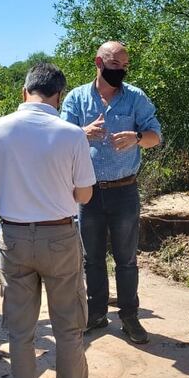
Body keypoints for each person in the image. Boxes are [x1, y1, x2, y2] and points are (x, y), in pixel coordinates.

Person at [0, 62, 105, 378]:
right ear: (58, 96)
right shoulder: (70, 134)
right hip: (60, 237)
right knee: (68, 329)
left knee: (20, 332)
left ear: (25, 91)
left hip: (14, 237)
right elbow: (84, 193)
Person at [60, 41, 162, 344]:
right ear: (98, 62)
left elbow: (156, 136)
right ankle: (96, 313)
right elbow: (60, 138)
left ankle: (130, 317)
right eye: (115, 63)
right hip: (88, 193)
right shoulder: (77, 98)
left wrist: (138, 137)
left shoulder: (135, 98)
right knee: (91, 259)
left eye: (124, 64)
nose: (120, 69)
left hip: (124, 191)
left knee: (126, 258)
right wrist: (82, 133)